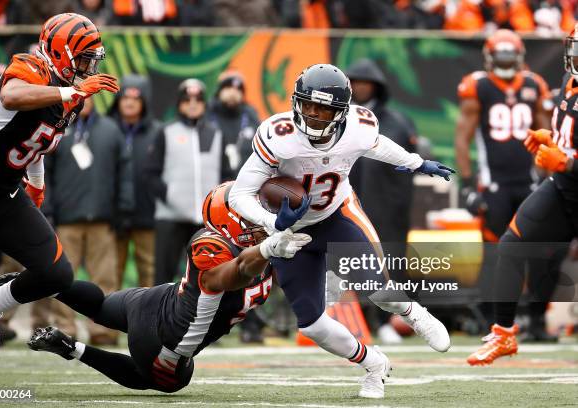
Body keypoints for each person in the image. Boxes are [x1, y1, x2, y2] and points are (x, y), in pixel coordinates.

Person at [228, 63, 453, 399]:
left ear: (342, 112)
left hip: (338, 214)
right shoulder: (278, 136)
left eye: (324, 108)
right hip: (291, 232)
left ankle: (415, 314)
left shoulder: (358, 127)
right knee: (313, 326)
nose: (314, 114)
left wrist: (416, 162)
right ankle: (374, 364)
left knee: (377, 289)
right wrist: (273, 223)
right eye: (308, 105)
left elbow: (378, 146)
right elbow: (238, 194)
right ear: (296, 102)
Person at [26, 182, 311, 393]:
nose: (261, 216)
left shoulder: (261, 244)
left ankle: (45, 284)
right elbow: (233, 275)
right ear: (231, 219)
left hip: (153, 300)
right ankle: (69, 347)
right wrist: (265, 249)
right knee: (162, 381)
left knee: (100, 306)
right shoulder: (212, 245)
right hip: (165, 341)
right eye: (253, 210)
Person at [0, 13, 119, 361]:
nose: (88, 67)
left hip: (3, 193)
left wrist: (36, 184)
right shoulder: (32, 66)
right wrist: (71, 89)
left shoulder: (72, 93)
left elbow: (37, 142)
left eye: (92, 60)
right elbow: (12, 96)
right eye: (83, 58)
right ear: (62, 52)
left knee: (56, 273)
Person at [466, 26, 578, 366]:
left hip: (569, 178)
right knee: (512, 246)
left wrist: (569, 162)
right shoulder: (568, 80)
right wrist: (554, 137)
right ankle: (503, 334)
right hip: (563, 189)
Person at [455, 29, 556, 341]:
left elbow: (549, 132)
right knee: (495, 253)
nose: (506, 62)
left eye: (510, 55)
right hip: (495, 184)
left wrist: (551, 174)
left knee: (542, 251)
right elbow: (463, 137)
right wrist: (469, 184)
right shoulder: (479, 85)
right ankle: (492, 322)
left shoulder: (533, 84)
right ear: (489, 57)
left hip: (530, 182)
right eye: (501, 55)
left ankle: (537, 320)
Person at [44, 96, 133, 345]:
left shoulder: (111, 130)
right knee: (62, 278)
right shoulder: (57, 127)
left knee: (104, 277)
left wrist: (123, 209)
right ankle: (64, 327)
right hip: (65, 219)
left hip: (102, 220)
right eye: (79, 97)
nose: (85, 102)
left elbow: (124, 172)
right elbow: (43, 172)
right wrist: (47, 208)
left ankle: (103, 329)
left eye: (88, 98)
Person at [346, 58, 420, 344]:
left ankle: (388, 321)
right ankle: (355, 320)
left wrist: (399, 204)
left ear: (377, 87)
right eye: (355, 83)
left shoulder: (397, 122)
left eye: (365, 83)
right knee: (349, 263)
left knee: (389, 264)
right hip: (348, 205)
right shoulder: (339, 121)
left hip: (388, 209)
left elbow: (408, 166)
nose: (360, 88)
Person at [146, 78, 226, 285]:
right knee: (163, 276)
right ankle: (160, 317)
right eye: (187, 99)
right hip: (171, 217)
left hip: (205, 220)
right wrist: (171, 197)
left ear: (204, 103)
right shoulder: (166, 132)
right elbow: (150, 173)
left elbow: (226, 174)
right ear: (179, 103)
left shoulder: (216, 133)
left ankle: (205, 317)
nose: (192, 103)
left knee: (207, 276)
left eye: (198, 99)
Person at [109, 75, 159, 289]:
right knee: (112, 272)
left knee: (149, 271)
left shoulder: (158, 133)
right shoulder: (107, 130)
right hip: (113, 215)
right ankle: (108, 322)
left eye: (136, 99)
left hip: (147, 213)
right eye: (125, 98)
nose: (129, 103)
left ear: (144, 103)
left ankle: (148, 321)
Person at [206, 71, 260, 177]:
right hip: (212, 182)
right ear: (219, 91)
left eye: (238, 89)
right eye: (228, 88)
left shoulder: (251, 117)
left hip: (244, 183)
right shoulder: (206, 115)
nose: (233, 93)